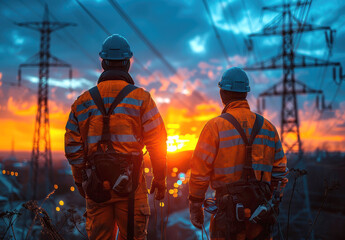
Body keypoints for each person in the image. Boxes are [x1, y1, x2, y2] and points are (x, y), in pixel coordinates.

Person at [64, 34, 167, 240]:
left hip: (96, 187)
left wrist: (80, 181)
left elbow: (72, 148)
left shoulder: (82, 102)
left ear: (102, 63)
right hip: (131, 189)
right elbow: (157, 143)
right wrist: (160, 178)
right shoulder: (142, 99)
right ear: (128, 64)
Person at [188, 67, 288, 240]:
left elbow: (199, 172)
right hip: (260, 215)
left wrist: (195, 205)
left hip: (227, 216)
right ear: (246, 94)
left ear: (222, 94)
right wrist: (269, 201)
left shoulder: (214, 127)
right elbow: (280, 173)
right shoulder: (269, 128)